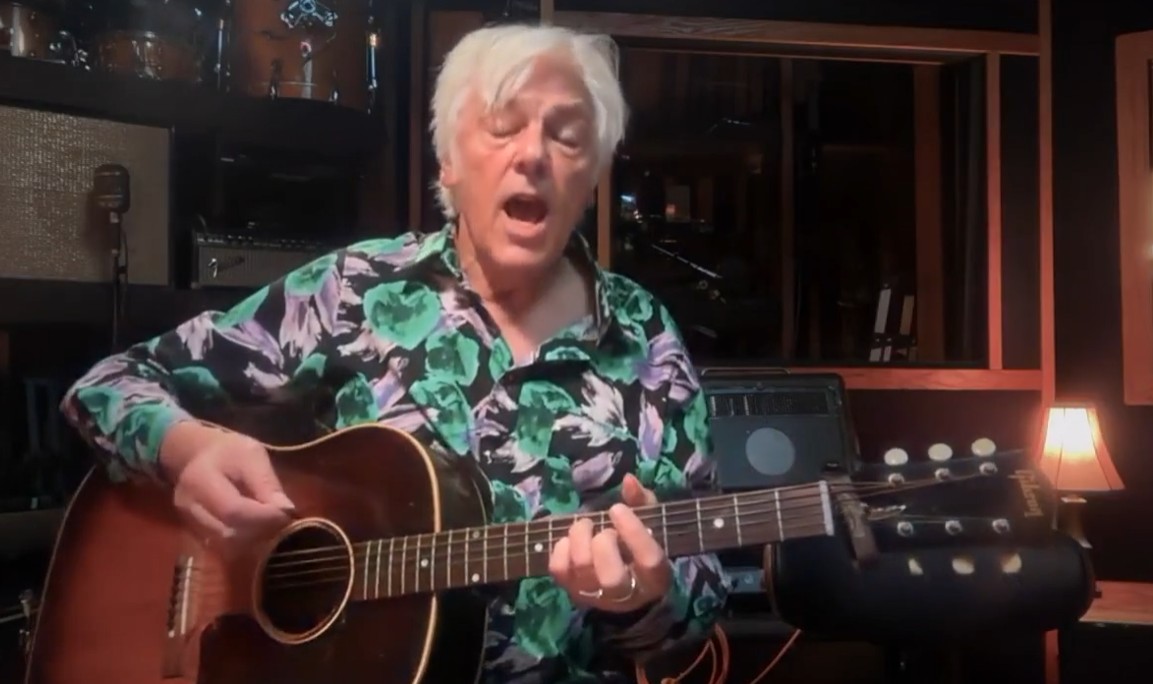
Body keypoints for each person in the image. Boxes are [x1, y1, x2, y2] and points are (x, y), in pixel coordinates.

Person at [59, 22, 728, 684]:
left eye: (567, 136)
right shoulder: (353, 290)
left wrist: (644, 597)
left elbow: (699, 602)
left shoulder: (646, 339)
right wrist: (185, 449)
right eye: (503, 127)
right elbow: (110, 384)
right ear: (449, 163)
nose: (533, 154)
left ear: (592, 178)